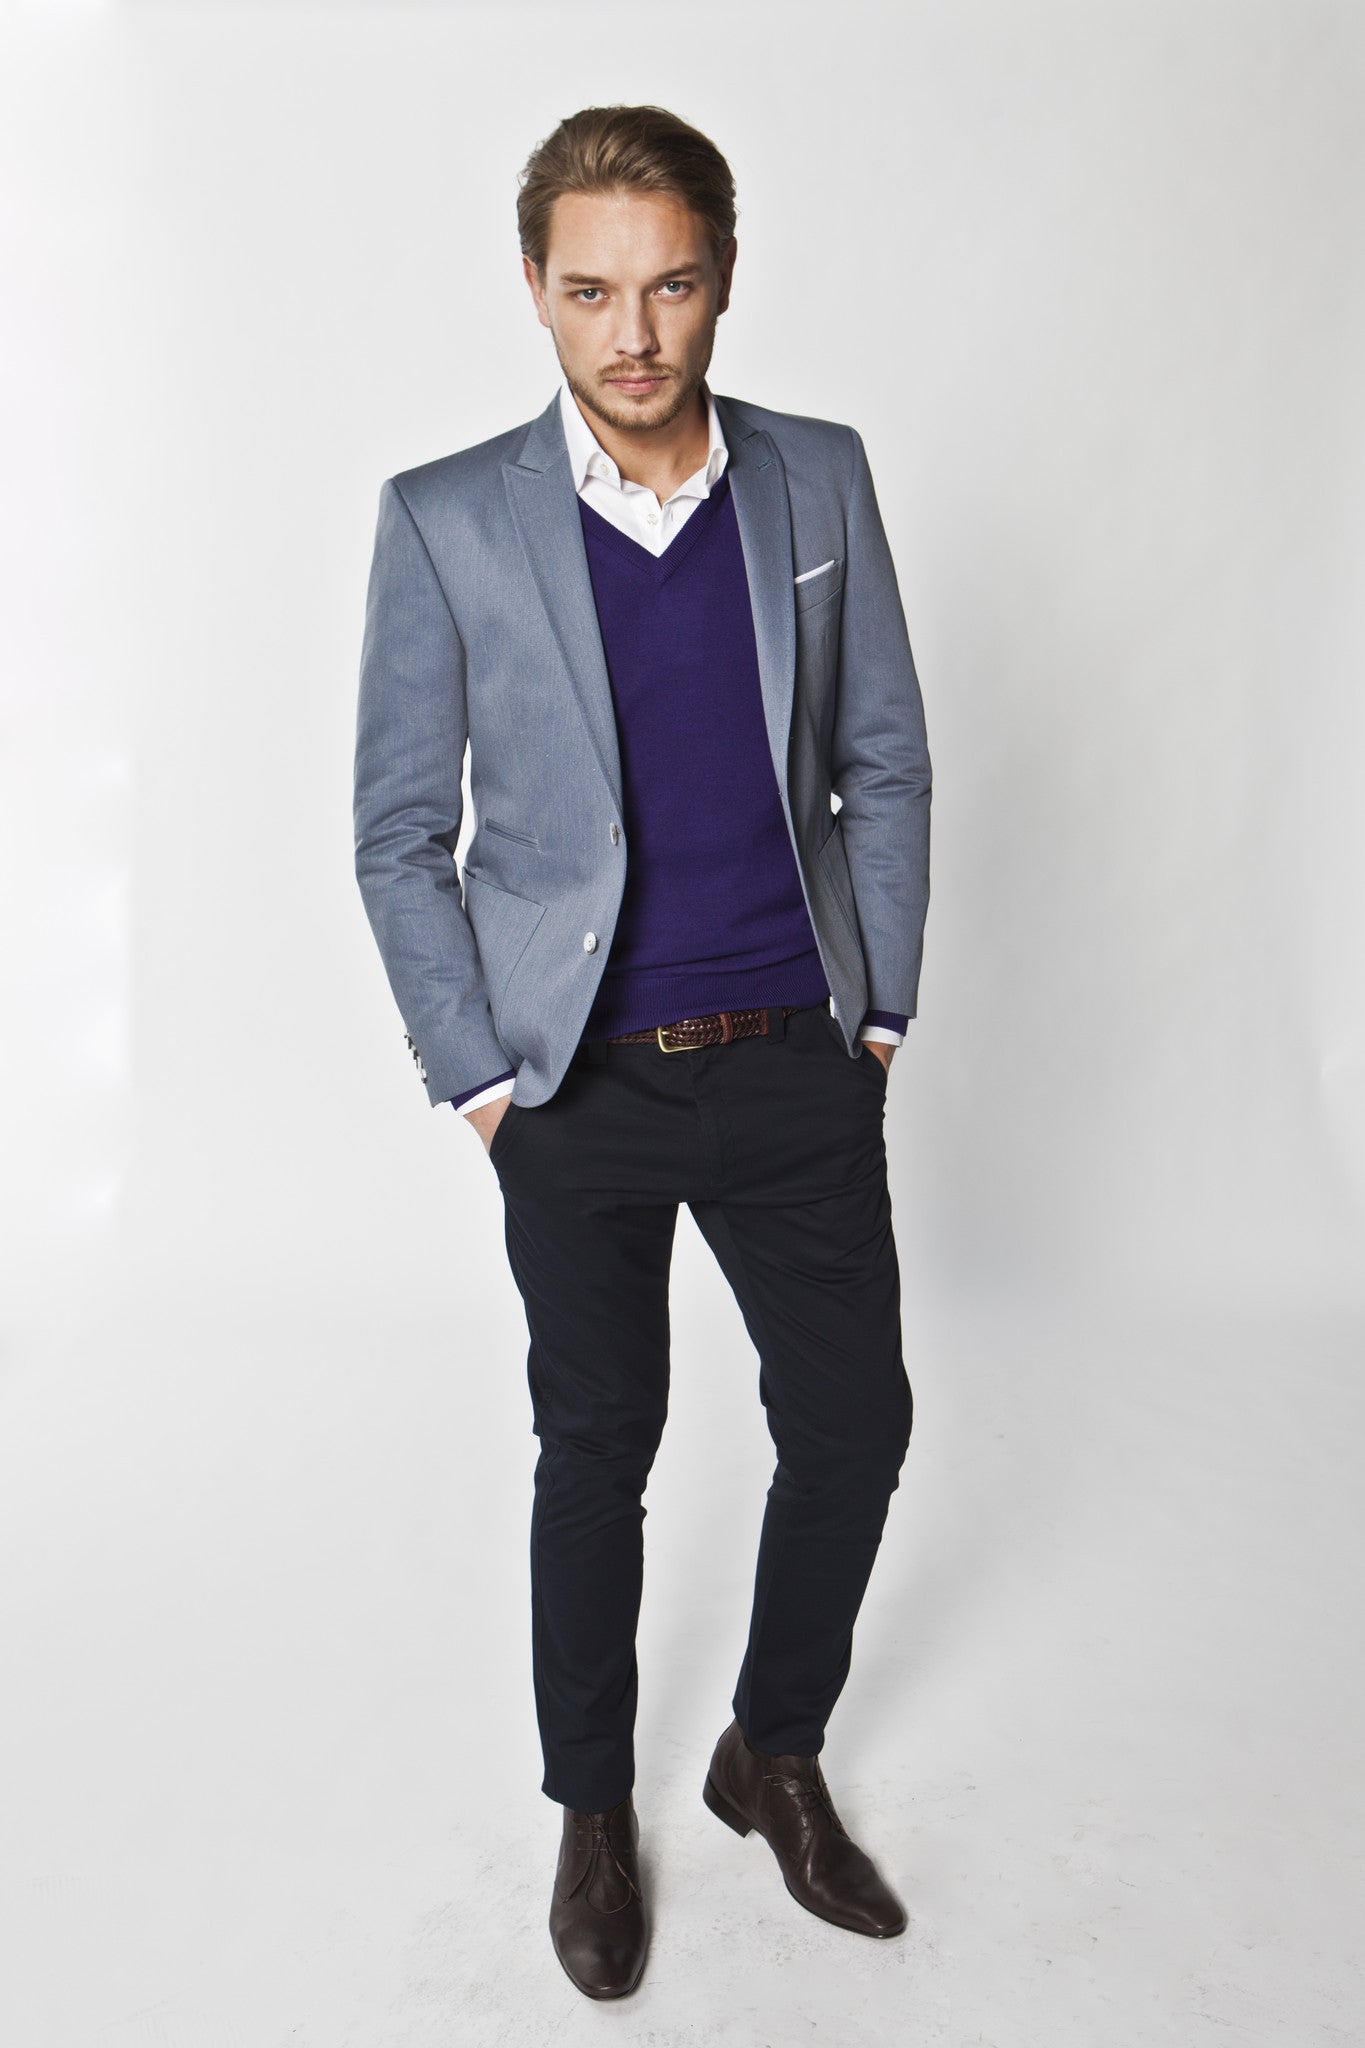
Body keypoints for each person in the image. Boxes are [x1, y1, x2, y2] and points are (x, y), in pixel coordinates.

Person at [353, 103, 932, 2001]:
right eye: (592, 291)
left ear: (723, 278)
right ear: (534, 288)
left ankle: (772, 1751)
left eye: (669, 285)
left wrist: (875, 1012)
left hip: (789, 1054)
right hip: (574, 1082)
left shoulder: (816, 479)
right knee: (596, 1445)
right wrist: (479, 1075)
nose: (634, 333)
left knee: (852, 1424)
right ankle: (592, 1810)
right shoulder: (446, 518)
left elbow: (884, 758)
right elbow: (397, 830)